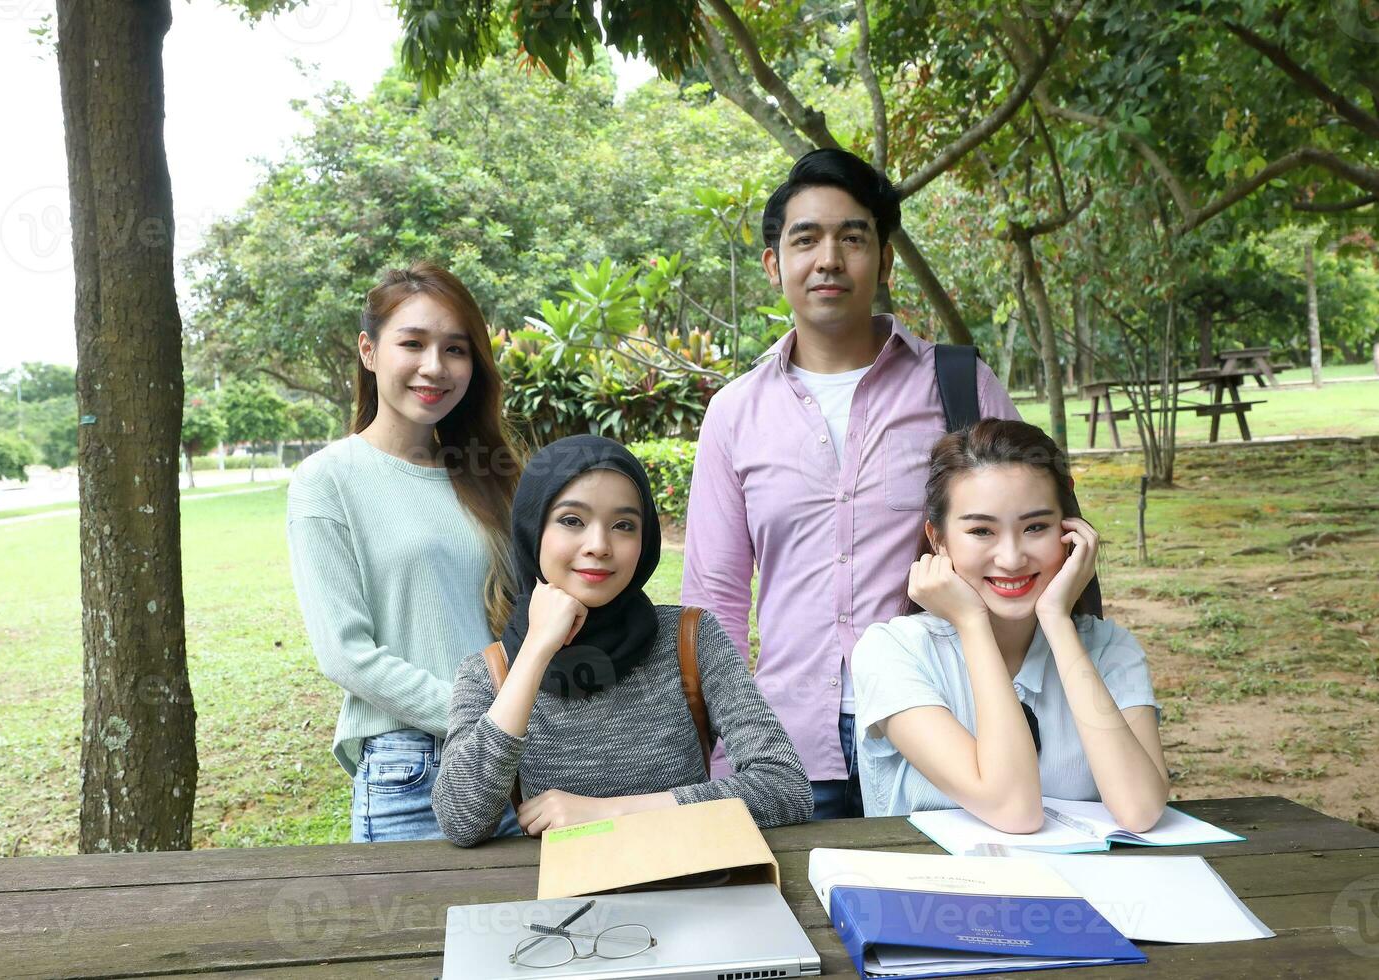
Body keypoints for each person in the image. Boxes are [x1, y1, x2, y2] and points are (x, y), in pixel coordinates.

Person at [681, 148, 1019, 820]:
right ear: (775, 264)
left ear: (884, 260)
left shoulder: (958, 386)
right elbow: (713, 598)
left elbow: (1026, 542)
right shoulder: (736, 413)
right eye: (805, 239)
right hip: (788, 743)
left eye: (852, 238)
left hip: (945, 724)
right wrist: (721, 747)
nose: (828, 259)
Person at [432, 435, 813, 847]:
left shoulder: (692, 639)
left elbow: (785, 787)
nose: (599, 546)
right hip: (568, 905)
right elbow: (460, 819)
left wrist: (610, 813)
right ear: (533, 529)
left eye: (623, 526)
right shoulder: (488, 672)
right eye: (572, 521)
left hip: (690, 887)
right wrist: (535, 651)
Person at [286, 262, 524, 842]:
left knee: (539, 932)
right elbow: (345, 653)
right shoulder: (328, 480)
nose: (434, 367)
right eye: (412, 343)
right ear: (369, 351)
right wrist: (484, 718)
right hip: (414, 770)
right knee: (421, 937)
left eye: (455, 349)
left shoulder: (491, 475)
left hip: (524, 762)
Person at [851, 419, 1169, 832]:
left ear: (1070, 531)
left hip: (1088, 891)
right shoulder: (892, 653)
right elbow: (1013, 809)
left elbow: (1140, 809)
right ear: (939, 539)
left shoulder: (1110, 649)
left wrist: (1056, 620)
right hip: (936, 894)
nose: (1012, 557)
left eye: (1035, 527)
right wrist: (971, 622)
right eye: (981, 530)